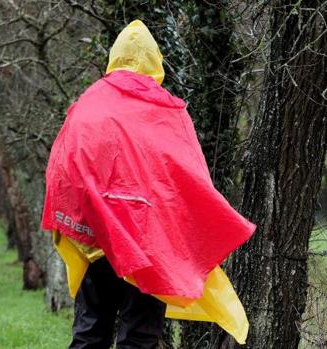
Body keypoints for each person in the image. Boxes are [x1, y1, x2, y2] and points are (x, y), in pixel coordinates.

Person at [41, 20, 256, 348]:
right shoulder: (169, 112)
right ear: (154, 61)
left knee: (90, 329)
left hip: (96, 242)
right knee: (140, 334)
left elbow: (61, 171)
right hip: (149, 244)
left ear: (114, 57)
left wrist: (78, 224)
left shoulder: (88, 105)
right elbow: (190, 179)